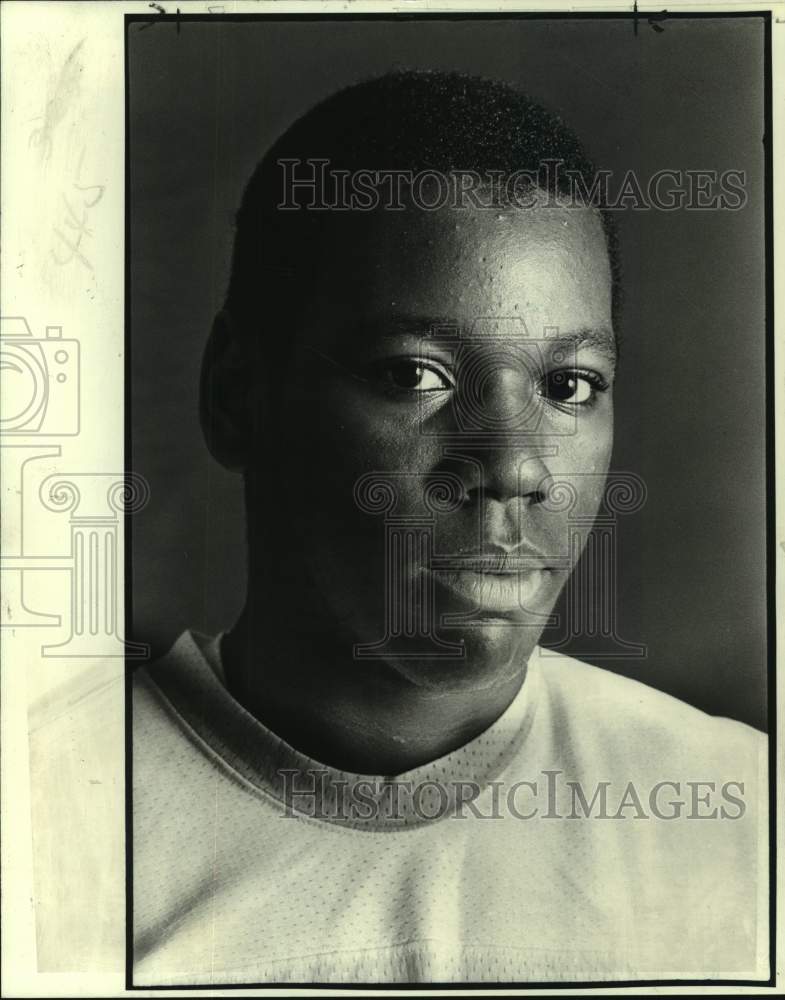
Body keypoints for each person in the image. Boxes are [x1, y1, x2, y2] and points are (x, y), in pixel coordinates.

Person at [132, 70, 767, 985]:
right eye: (410, 375)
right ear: (236, 393)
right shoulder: (52, 815)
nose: (513, 464)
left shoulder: (744, 820)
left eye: (567, 387)